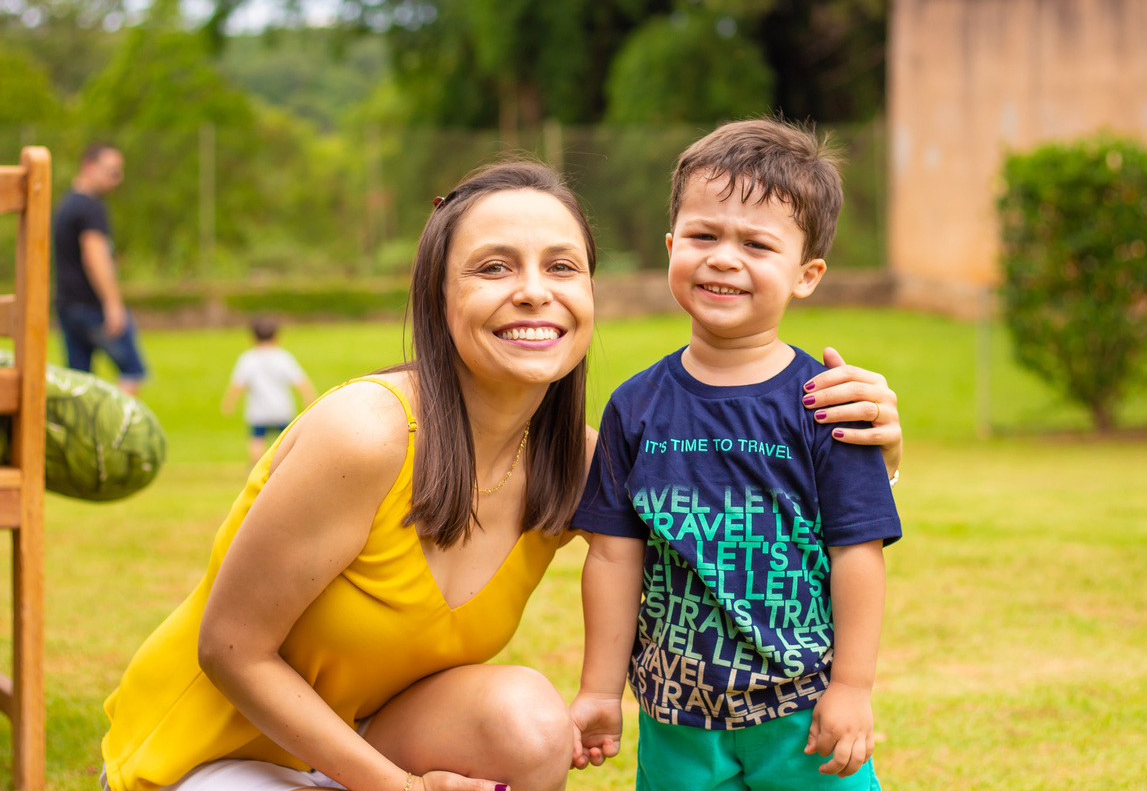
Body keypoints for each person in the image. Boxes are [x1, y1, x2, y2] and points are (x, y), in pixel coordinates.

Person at [100, 160, 903, 791]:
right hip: (211, 758)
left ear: (589, 293)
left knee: (530, 723)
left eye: (562, 266)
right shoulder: (368, 432)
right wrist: (397, 788)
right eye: (493, 267)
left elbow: (741, 532)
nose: (533, 293)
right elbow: (230, 649)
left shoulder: (578, 462)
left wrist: (873, 460)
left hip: (369, 738)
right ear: (438, 295)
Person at [569, 119, 902, 791]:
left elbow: (857, 552)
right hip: (676, 718)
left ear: (806, 276)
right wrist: (601, 691)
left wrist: (853, 687)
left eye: (756, 243)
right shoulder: (634, 407)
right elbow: (611, 555)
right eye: (703, 235)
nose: (724, 258)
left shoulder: (829, 405)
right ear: (671, 246)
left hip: (802, 711)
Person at [52, 143, 148, 396]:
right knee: (133, 371)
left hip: (67, 304)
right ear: (89, 166)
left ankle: (84, 435)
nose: (118, 178)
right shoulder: (91, 207)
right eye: (112, 171)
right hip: (92, 306)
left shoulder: (66, 204)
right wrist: (113, 304)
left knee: (79, 381)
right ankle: (116, 433)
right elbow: (95, 258)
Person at [221, 317, 317, 465]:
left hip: (258, 411)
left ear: (252, 337)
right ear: (277, 337)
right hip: (281, 408)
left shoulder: (248, 359)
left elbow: (237, 384)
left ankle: (255, 467)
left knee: (257, 440)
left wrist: (229, 403)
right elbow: (300, 381)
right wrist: (309, 398)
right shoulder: (283, 357)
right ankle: (287, 466)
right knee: (286, 440)